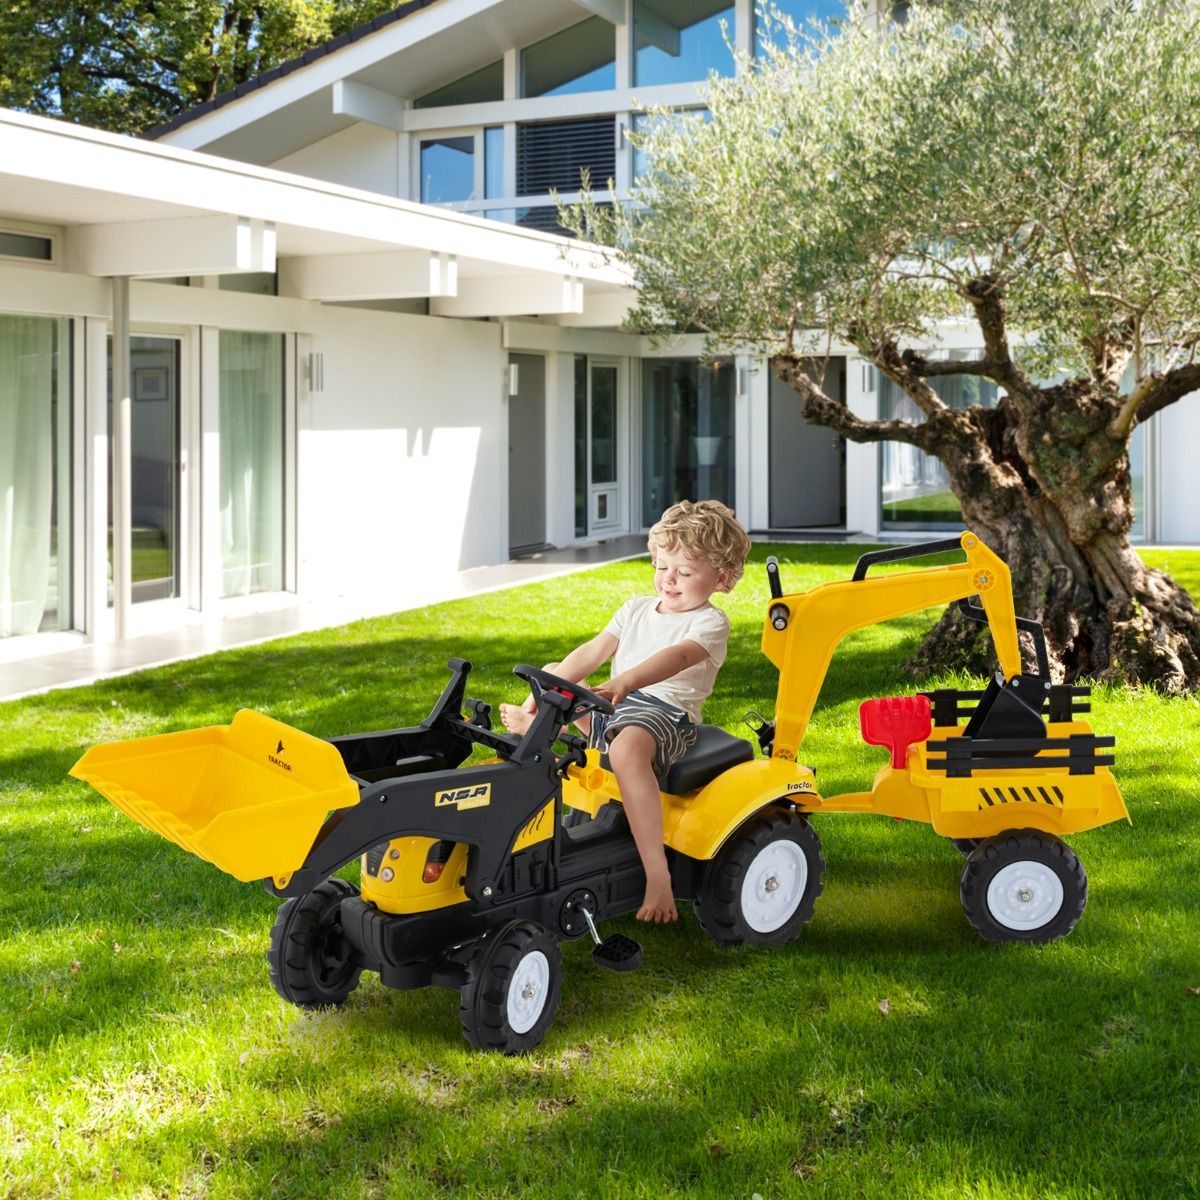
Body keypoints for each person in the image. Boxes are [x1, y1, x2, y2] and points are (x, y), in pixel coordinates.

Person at [500, 500, 751, 924]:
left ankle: (658, 876)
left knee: (628, 747)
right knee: (554, 673)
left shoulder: (709, 623)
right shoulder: (635, 609)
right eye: (662, 566)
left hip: (663, 716)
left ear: (721, 578)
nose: (669, 580)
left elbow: (675, 658)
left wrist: (627, 681)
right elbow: (593, 651)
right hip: (612, 706)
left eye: (685, 572)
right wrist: (546, 690)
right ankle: (549, 725)